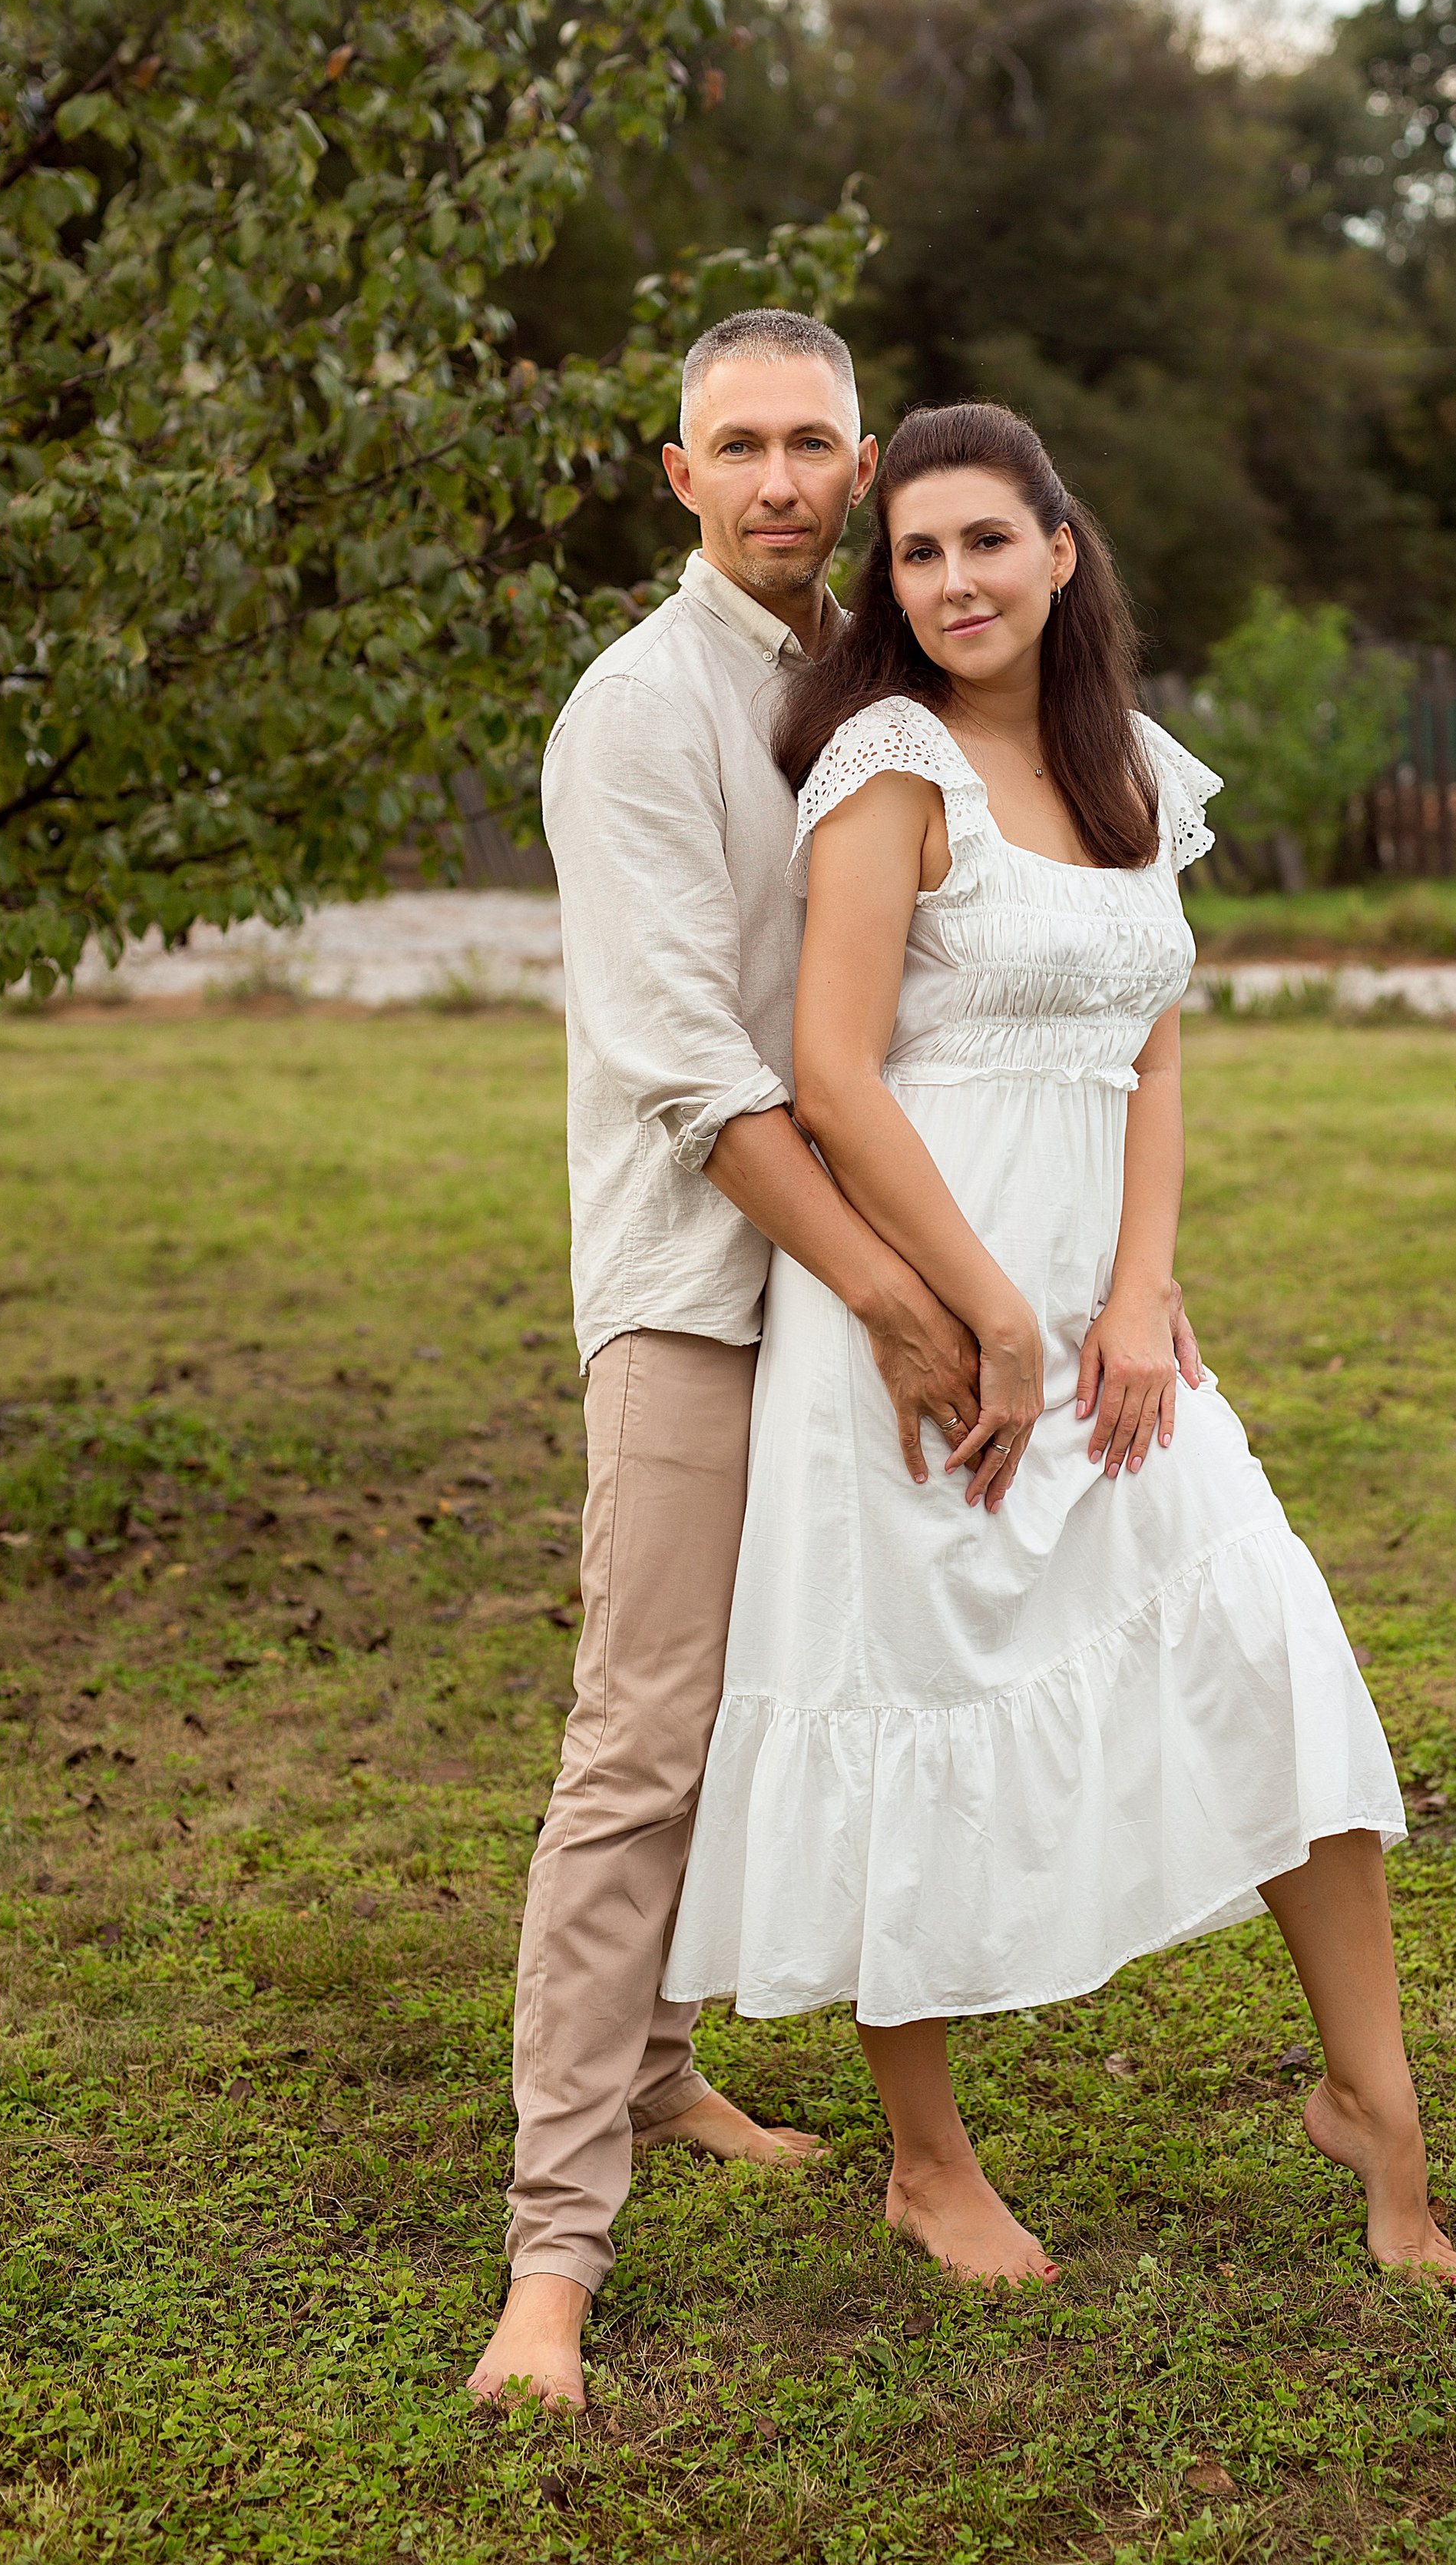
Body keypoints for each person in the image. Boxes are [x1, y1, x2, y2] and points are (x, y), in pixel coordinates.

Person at [468, 316, 1209, 2411]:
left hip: (899, 1277)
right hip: (716, 1288)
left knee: (828, 1675)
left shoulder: (879, 687)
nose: (782, 479)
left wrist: (1070, 1265)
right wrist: (906, 1299)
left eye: (814, 444)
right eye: (741, 447)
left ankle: (664, 2075)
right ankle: (551, 2260)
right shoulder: (639, 714)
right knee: (644, 1736)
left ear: (863, 467)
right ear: (675, 471)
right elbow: (696, 1069)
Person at [664, 402, 1456, 2289]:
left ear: (1059, 549)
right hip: (915, 1313)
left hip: (1108, 1322)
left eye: (982, 544)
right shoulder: (882, 762)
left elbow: (1154, 1041)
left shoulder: (1130, 772)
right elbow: (834, 1076)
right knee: (911, 1695)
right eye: (918, 554)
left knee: (1265, 1645)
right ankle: (928, 2164)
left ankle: (1380, 2108)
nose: (949, 582)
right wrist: (985, 1315)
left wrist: (1128, 1291)